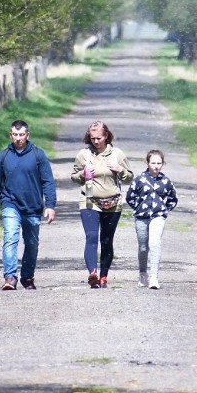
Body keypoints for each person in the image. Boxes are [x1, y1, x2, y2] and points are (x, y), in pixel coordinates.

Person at [0, 119, 56, 291]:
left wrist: (50, 205)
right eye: (15, 135)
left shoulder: (38, 155)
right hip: (10, 204)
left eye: (21, 135)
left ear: (27, 135)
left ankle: (27, 277)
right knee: (10, 238)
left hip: (33, 206)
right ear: (10, 135)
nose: (18, 138)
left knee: (31, 244)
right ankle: (10, 277)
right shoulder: (3, 156)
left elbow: (48, 181)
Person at [71, 121, 134, 288]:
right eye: (92, 138)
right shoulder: (83, 155)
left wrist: (120, 170)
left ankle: (104, 276)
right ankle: (93, 273)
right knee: (91, 237)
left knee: (106, 240)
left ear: (106, 136)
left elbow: (129, 177)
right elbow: (74, 176)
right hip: (89, 201)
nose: (96, 141)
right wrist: (83, 174)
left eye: (99, 138)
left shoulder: (117, 154)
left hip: (112, 203)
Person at [125, 149, 178, 290]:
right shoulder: (140, 180)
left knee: (155, 243)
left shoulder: (165, 181)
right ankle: (143, 274)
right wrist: (138, 207)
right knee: (143, 247)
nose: (156, 166)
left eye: (159, 163)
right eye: (153, 163)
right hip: (141, 217)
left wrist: (164, 210)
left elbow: (173, 198)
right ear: (147, 163)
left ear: (162, 164)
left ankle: (154, 276)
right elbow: (129, 196)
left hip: (158, 216)